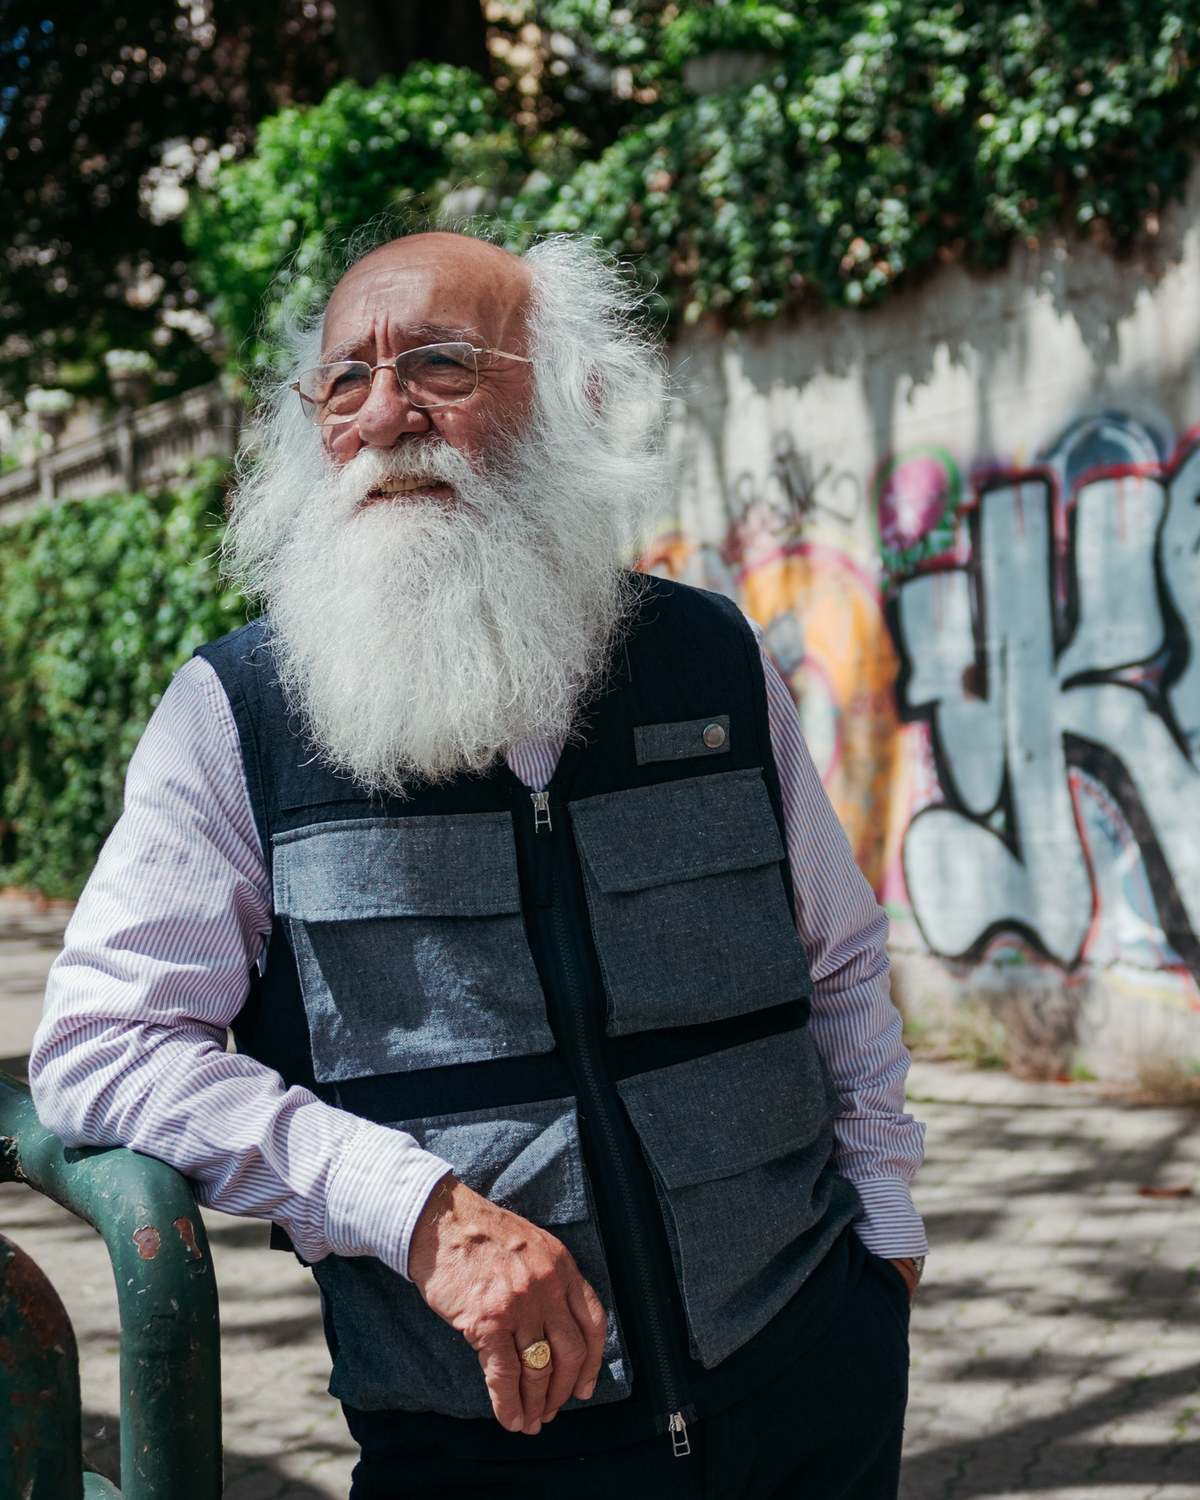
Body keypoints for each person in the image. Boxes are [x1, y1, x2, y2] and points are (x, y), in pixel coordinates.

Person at [30, 230, 928, 1499]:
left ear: (567, 395)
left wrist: (884, 1238)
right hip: (476, 1448)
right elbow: (102, 1047)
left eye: (439, 364)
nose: (385, 415)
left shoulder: (710, 658)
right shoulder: (236, 716)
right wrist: (411, 1208)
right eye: (346, 381)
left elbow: (837, 964)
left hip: (811, 1384)